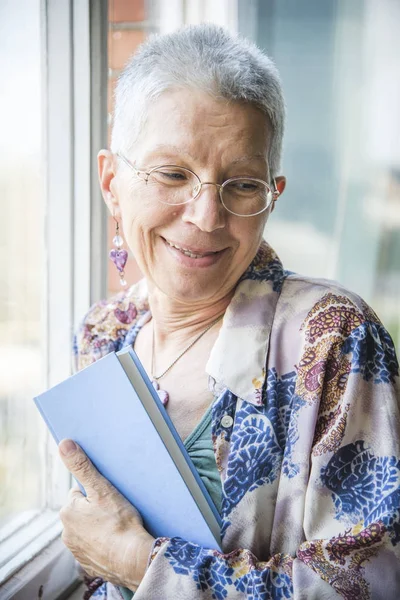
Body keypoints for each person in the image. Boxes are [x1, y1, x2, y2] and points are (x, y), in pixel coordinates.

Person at [58, 24, 400, 600]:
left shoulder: (334, 337)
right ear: (111, 182)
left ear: (274, 192)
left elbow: (371, 586)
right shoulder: (101, 334)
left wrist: (143, 563)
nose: (207, 216)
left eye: (241, 185)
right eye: (172, 174)